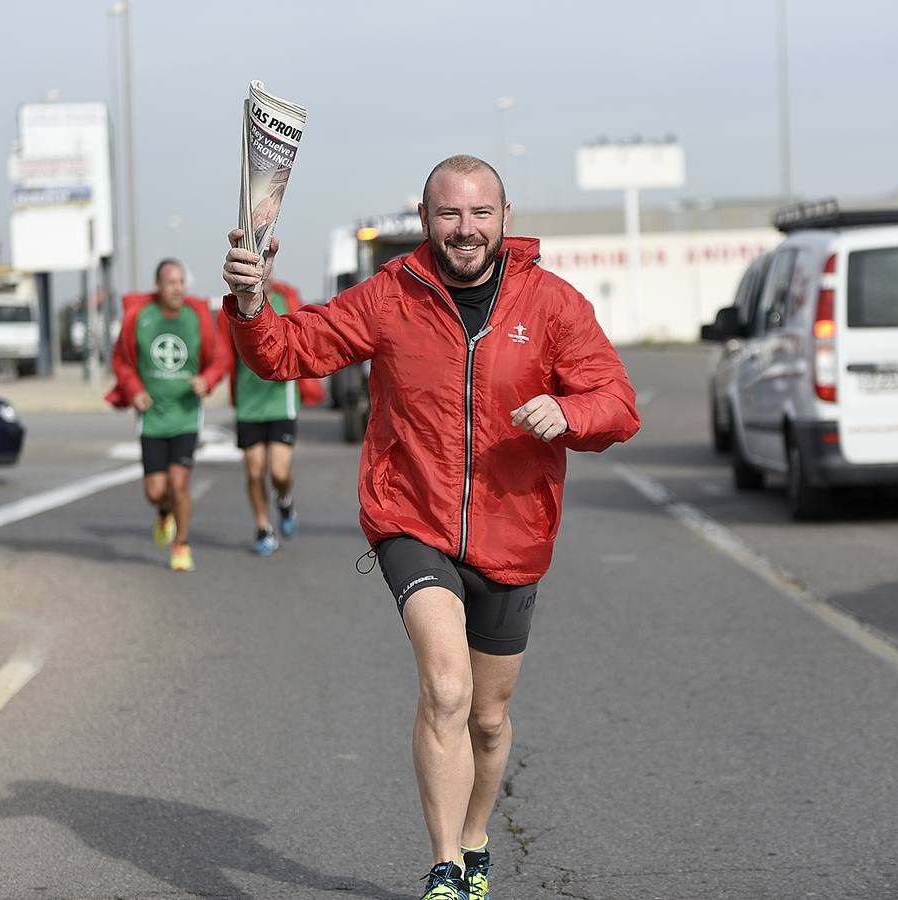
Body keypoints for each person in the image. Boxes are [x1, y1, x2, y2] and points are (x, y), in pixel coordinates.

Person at [221, 155, 640, 900]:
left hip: (514, 535)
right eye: (449, 214)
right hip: (410, 519)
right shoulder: (390, 297)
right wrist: (250, 305)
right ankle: (444, 865)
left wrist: (571, 413)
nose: (465, 228)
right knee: (445, 688)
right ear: (425, 220)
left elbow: (616, 402)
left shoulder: (551, 305)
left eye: (480, 213)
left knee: (487, 715)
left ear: (505, 219)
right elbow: (286, 353)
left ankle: (477, 836)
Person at [106, 259, 228, 572]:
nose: (177, 288)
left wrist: (207, 380)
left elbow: (220, 358)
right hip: (152, 416)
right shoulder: (140, 317)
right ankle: (164, 514)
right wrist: (134, 390)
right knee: (156, 491)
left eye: (181, 282)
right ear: (158, 286)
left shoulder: (196, 317)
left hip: (186, 415)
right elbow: (121, 361)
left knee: (179, 483)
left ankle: (182, 544)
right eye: (170, 282)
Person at [216, 278, 324, 556]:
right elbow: (222, 352)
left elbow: (306, 339)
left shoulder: (286, 301)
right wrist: (209, 379)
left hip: (281, 399)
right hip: (249, 402)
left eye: (267, 265)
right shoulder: (234, 304)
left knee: (278, 472)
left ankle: (285, 501)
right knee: (254, 472)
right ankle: (263, 527)